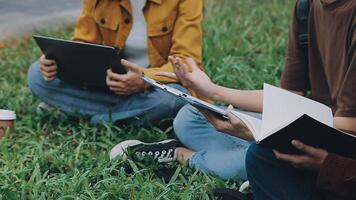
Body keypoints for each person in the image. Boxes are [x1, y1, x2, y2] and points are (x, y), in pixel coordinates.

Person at [110, 0, 356, 192]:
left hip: (340, 142)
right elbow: (290, 95)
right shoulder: (306, 8)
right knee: (190, 117)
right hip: (313, 125)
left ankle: (183, 155)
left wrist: (269, 132)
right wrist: (212, 91)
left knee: (257, 157)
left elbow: (350, 124)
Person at [27, 0, 203, 126]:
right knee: (37, 75)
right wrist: (58, 59)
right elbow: (84, 41)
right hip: (112, 82)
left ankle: (95, 117)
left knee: (173, 100)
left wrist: (144, 79)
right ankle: (127, 116)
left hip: (156, 87)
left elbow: (186, 61)